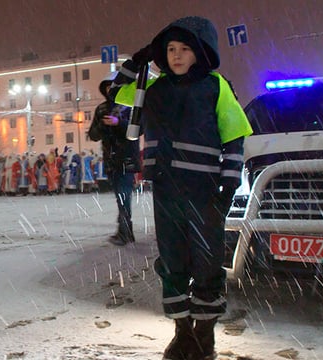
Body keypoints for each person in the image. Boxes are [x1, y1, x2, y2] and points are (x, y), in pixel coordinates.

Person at [120, 17, 253, 360]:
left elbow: (234, 134)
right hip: (166, 190)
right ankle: (182, 333)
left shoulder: (215, 86)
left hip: (206, 190)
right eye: (170, 49)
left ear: (201, 53)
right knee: (173, 259)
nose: (176, 56)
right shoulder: (152, 89)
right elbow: (113, 91)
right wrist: (138, 61)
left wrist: (229, 181)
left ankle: (204, 333)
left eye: (185, 49)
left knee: (207, 261)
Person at [89, 74, 141, 245]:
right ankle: (126, 231)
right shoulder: (102, 109)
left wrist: (118, 122)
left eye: (114, 86)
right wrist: (101, 126)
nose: (110, 90)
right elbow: (93, 135)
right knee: (120, 196)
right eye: (108, 87)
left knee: (123, 195)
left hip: (126, 157)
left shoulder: (130, 106)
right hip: (111, 160)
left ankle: (125, 232)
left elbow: (137, 130)